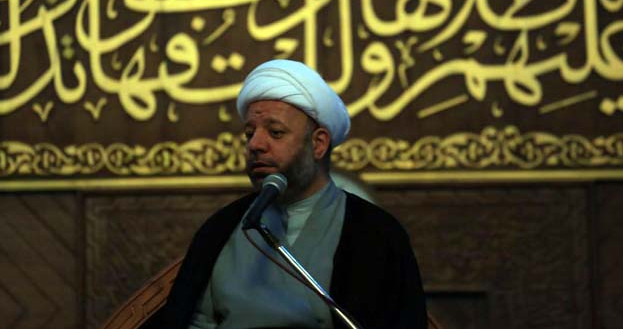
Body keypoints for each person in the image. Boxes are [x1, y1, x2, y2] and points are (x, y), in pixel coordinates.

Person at [142, 59, 427, 329]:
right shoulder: (220, 229)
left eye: (275, 133)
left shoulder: (377, 234)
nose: (255, 145)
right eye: (249, 134)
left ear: (318, 144)